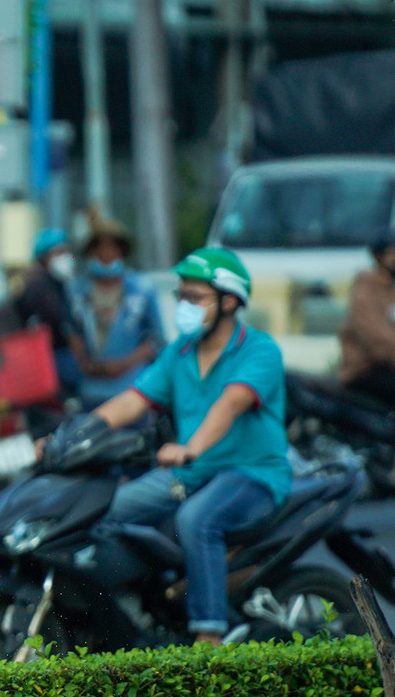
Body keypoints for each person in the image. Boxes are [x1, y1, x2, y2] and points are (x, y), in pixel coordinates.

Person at [89, 248, 291, 645]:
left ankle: (208, 633)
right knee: (100, 511)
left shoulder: (258, 350)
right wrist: (75, 434)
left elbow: (231, 402)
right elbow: (131, 401)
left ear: (230, 301)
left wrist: (191, 446)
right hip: (189, 473)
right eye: (181, 296)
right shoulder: (178, 353)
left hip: (252, 473)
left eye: (195, 298)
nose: (184, 305)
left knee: (197, 519)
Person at [68, 216, 164, 409]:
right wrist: (86, 363)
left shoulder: (141, 289)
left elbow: (155, 338)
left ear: (122, 251)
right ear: (90, 252)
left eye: (112, 247)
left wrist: (123, 365)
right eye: (99, 248)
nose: (106, 253)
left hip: (132, 389)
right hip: (91, 390)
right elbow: (71, 331)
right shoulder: (77, 291)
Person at [15, 228, 83, 398]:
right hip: (48, 360)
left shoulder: (59, 283)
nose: (66, 257)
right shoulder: (39, 285)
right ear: (44, 258)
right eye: (59, 253)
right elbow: (59, 321)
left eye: (66, 251)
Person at [338, 231, 395, 400]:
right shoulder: (366, 287)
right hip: (366, 369)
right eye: (393, 252)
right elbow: (375, 335)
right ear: (378, 256)